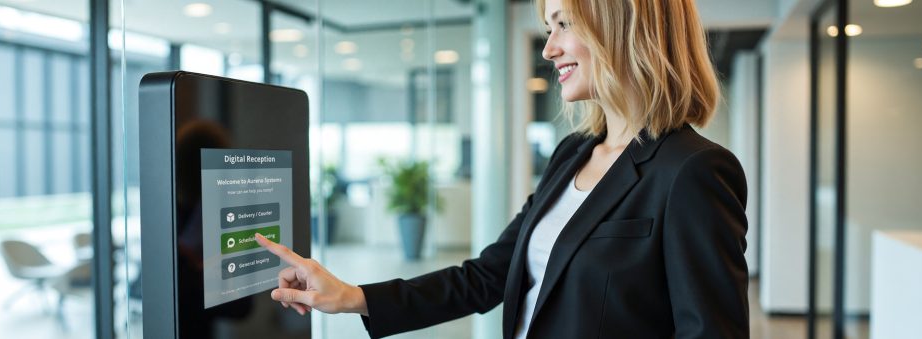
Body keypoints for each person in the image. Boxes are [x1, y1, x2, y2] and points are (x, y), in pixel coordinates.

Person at [255, 0, 749, 337]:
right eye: (549, 26)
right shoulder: (571, 154)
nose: (548, 46)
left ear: (619, 23)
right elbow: (488, 276)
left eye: (564, 23)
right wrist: (351, 295)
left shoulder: (694, 171)